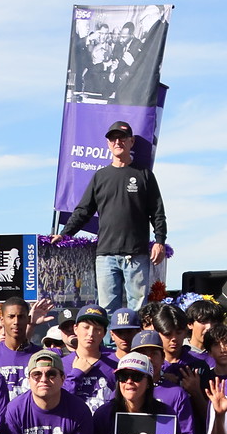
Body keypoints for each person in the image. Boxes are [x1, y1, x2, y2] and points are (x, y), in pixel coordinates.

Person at [58, 120, 168, 313]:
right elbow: (83, 210)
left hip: (136, 254)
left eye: (122, 138)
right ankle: (108, 344)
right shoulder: (100, 176)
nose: (118, 142)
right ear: (108, 144)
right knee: (106, 310)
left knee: (139, 309)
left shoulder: (144, 175)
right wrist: (65, 234)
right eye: (113, 139)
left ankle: (137, 343)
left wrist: (160, 240)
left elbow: (157, 211)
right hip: (106, 256)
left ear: (131, 141)